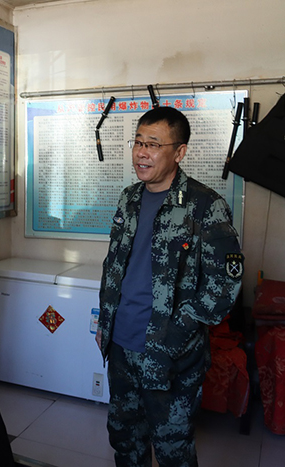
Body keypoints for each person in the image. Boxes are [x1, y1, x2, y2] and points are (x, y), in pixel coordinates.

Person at [96, 106, 244, 466]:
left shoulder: (205, 206)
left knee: (173, 449)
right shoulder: (129, 198)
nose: (141, 153)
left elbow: (225, 284)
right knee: (125, 439)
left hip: (170, 353)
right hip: (121, 344)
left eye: (153, 144)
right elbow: (115, 265)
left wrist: (176, 333)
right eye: (138, 142)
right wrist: (105, 322)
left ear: (179, 152)